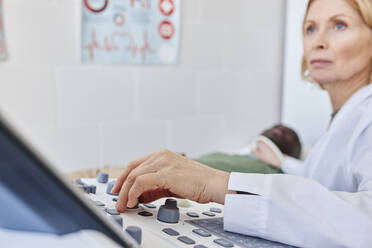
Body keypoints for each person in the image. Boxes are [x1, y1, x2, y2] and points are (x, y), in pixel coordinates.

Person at [112, 0, 372, 247]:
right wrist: (283, 162)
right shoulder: (349, 116)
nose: (318, 42)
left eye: (339, 25)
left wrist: (215, 183)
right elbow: (329, 185)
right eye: (310, 28)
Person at [196, 124, 302, 174]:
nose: (281, 129)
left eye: (289, 135)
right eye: (276, 127)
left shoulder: (271, 172)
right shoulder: (232, 155)